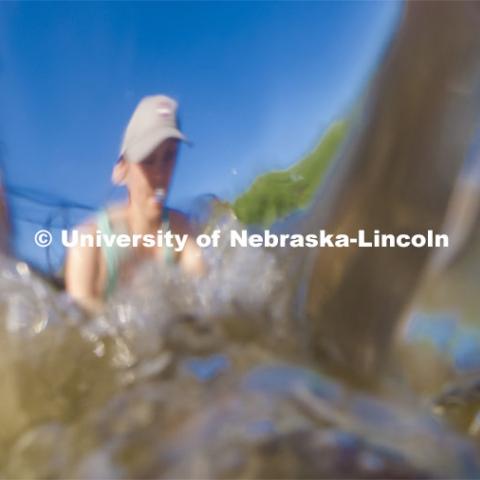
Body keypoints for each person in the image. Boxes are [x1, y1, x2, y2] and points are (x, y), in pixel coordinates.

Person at [65, 95, 205, 313]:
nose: (160, 173)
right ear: (121, 170)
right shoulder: (88, 241)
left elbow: (206, 299)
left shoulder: (182, 231)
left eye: (169, 156)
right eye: (148, 159)